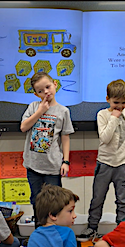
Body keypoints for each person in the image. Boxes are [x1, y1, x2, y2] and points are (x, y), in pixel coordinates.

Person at [77, 79, 125, 241]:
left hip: (123, 164)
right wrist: (113, 117)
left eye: (123, 103)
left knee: (123, 200)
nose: (119, 106)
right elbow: (105, 138)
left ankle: (121, 228)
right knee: (98, 198)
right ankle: (92, 227)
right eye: (116, 102)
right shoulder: (103, 115)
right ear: (108, 99)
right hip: (104, 163)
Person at [20, 72, 74, 227]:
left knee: (55, 204)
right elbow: (23, 127)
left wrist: (66, 161)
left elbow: (65, 137)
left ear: (55, 84)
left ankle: (55, 234)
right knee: (37, 202)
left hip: (53, 167)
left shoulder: (63, 111)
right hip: (33, 166)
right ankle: (40, 233)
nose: (46, 92)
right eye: (40, 91)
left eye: (48, 87)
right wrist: (40, 111)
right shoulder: (33, 107)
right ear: (36, 94)